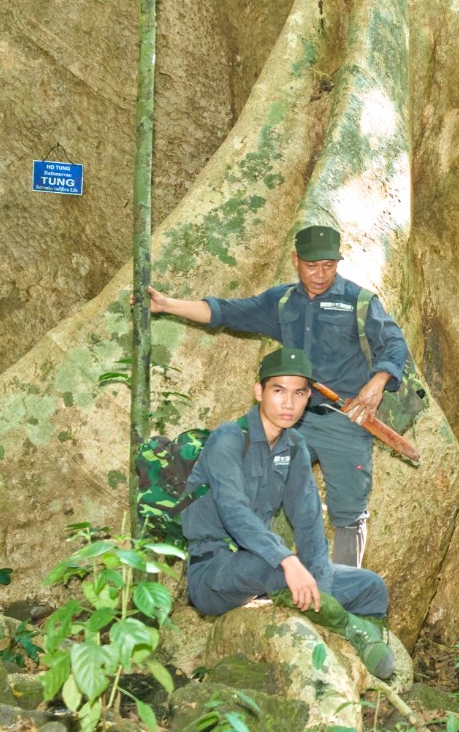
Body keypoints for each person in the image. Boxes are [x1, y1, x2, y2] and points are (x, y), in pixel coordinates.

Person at [150, 223, 412, 567]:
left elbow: (394, 343)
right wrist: (168, 304)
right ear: (295, 260)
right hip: (291, 419)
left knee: (349, 510)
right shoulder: (282, 301)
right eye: (311, 265)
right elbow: (225, 311)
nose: (320, 274)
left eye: (329, 266)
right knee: (266, 495)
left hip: (345, 420)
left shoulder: (359, 302)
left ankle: (347, 589)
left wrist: (377, 382)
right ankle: (272, 579)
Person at [181, 345, 398, 680]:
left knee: (370, 587)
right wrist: (288, 560)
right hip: (214, 572)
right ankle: (353, 630)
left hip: (268, 567)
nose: (289, 403)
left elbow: (309, 520)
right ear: (259, 392)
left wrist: (319, 584)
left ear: (308, 397)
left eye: (299, 393)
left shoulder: (294, 446)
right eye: (278, 390)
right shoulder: (227, 439)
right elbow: (234, 511)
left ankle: (364, 665)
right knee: (275, 570)